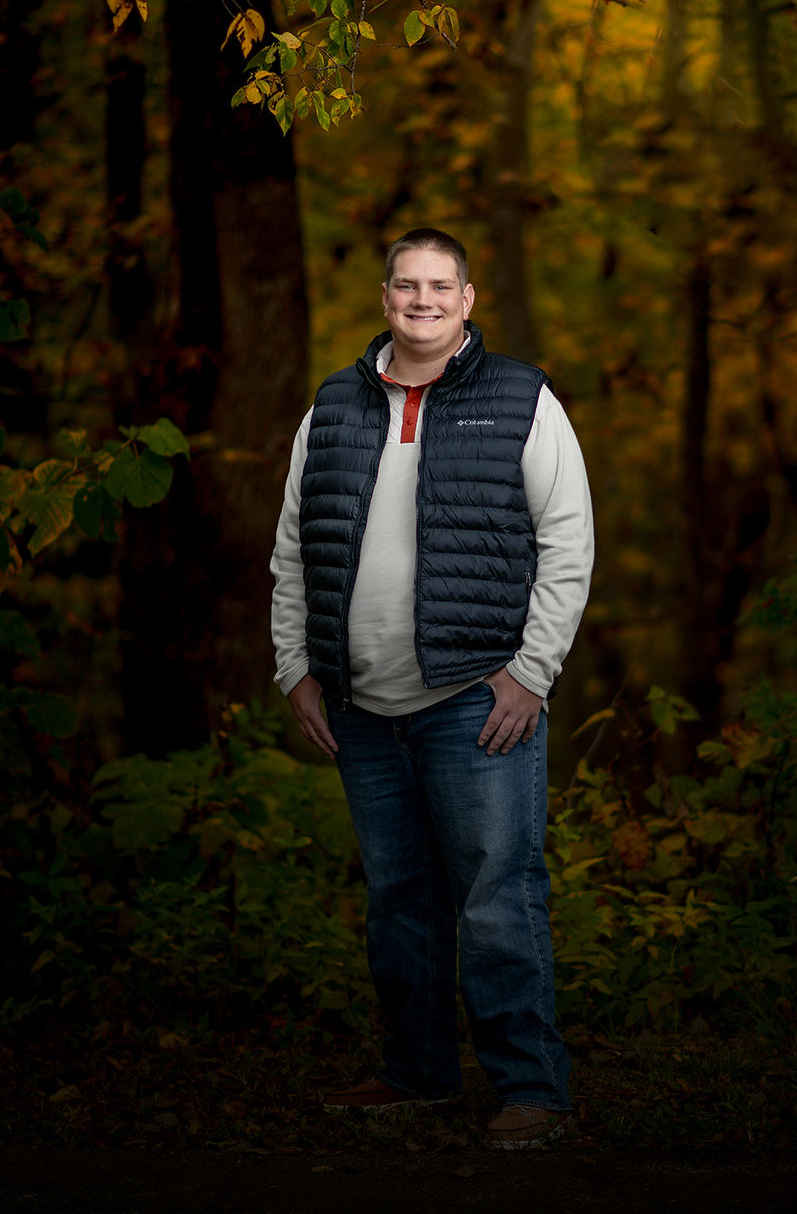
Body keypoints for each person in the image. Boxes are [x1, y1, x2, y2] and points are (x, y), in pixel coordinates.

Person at [270, 227, 594, 1150]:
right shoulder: (333, 404)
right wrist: (294, 663)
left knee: (498, 896)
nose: (421, 300)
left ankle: (532, 1091)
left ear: (467, 299)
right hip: (361, 704)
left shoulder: (521, 397)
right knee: (398, 898)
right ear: (384, 299)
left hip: (474, 700)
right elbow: (295, 543)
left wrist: (530, 674)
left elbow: (569, 542)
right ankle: (415, 1074)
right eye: (406, 286)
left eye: (438, 286)